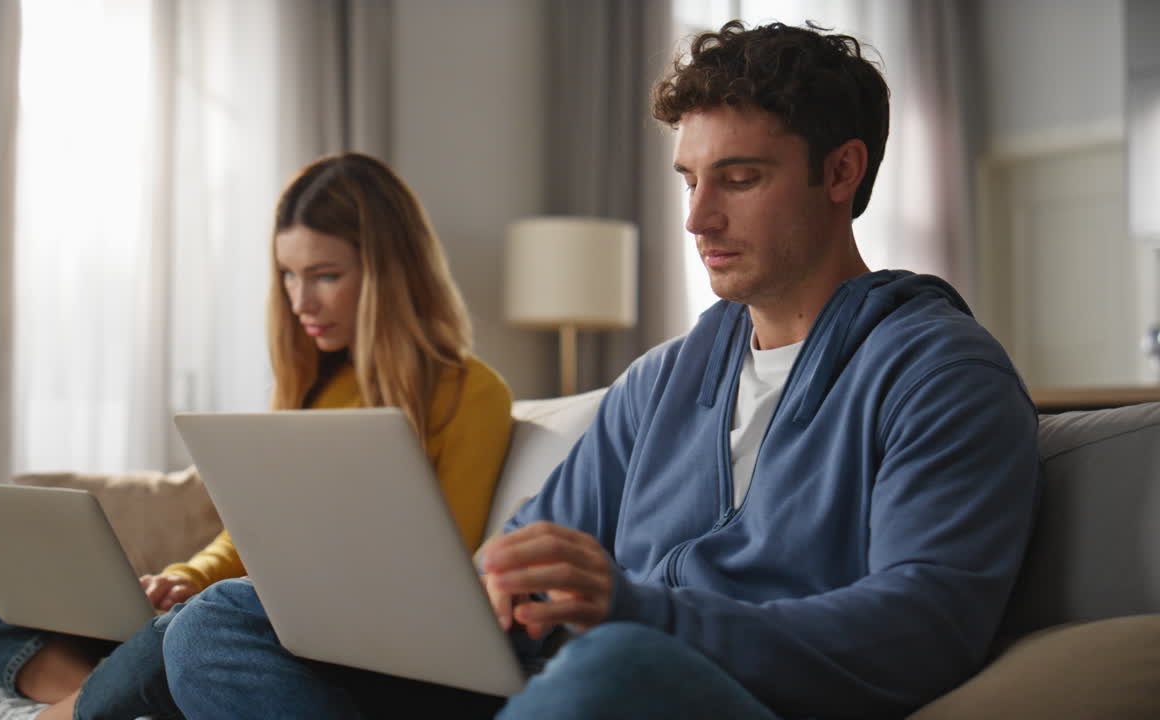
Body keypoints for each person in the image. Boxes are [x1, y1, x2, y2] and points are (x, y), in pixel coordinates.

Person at [162, 20, 1041, 720]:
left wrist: (642, 613)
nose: (697, 218)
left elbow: (923, 630)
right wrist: (466, 598)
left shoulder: (940, 372)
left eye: (737, 178)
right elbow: (529, 560)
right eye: (688, 179)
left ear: (841, 172)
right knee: (223, 620)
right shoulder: (661, 381)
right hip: (565, 677)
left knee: (619, 663)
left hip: (724, 693)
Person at [0, 152, 514, 720]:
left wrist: (222, 598)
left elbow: (445, 575)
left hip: (348, 645)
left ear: (391, 273)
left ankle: (54, 714)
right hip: (248, 616)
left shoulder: (471, 394)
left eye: (325, 275)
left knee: (201, 627)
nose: (301, 300)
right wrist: (190, 575)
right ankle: (89, 694)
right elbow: (249, 533)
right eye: (288, 275)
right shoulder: (315, 385)